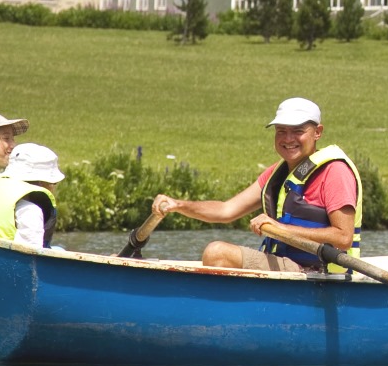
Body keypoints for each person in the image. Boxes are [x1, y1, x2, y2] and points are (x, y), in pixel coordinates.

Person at [151, 97, 361, 274]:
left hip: (321, 273)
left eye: (298, 131)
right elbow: (226, 210)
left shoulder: (335, 172)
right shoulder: (277, 173)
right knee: (218, 253)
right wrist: (178, 205)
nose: (288, 139)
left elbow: (343, 237)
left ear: (318, 132)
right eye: (281, 131)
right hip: (292, 268)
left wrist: (280, 228)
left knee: (218, 253)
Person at [0, 142, 63, 248]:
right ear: (42, 183)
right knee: (60, 250)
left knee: (59, 249)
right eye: (53, 183)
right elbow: (30, 252)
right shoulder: (30, 210)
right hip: (5, 260)